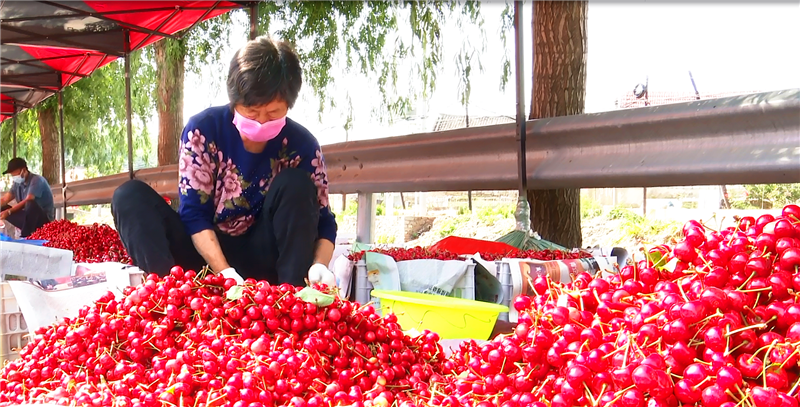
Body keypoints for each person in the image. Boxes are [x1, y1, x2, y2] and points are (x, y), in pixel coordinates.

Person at [111, 36, 337, 288]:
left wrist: (319, 264)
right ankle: (168, 296)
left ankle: (293, 301)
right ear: (234, 100)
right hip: (204, 258)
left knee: (297, 184)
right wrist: (224, 273)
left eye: (273, 113)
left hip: (266, 261)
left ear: (289, 105)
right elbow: (194, 215)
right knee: (128, 196)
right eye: (251, 112)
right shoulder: (204, 130)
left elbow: (324, 221)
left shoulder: (302, 145)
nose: (261, 121)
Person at [1, 157, 55, 237]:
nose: (13, 176)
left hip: (43, 220)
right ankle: (26, 231)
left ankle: (25, 236)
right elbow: (5, 199)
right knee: (3, 208)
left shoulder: (37, 180)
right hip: (28, 219)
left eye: (14, 173)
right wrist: (6, 210)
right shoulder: (17, 184)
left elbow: (29, 199)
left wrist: (9, 212)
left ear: (23, 170)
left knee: (30, 204)